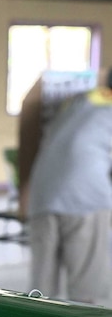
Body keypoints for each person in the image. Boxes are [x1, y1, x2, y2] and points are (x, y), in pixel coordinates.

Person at [23, 80, 112, 305]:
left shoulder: (79, 101)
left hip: (42, 195)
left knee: (41, 291)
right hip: (86, 198)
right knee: (87, 290)